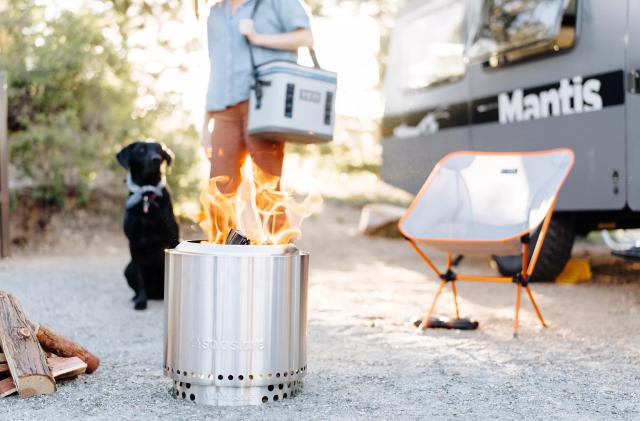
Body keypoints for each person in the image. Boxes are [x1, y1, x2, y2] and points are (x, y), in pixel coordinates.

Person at [200, 0, 314, 194]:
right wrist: (205, 126)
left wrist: (257, 38)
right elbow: (215, 68)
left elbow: (306, 38)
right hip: (224, 111)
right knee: (220, 192)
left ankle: (274, 225)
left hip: (265, 107)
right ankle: (226, 226)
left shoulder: (275, 2)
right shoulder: (216, 13)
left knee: (267, 192)